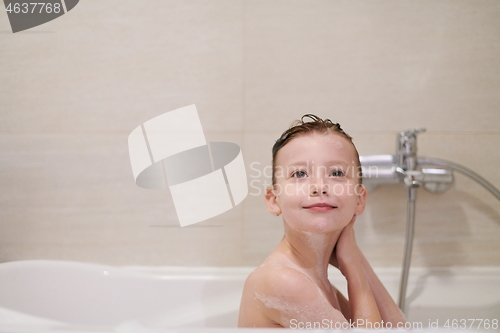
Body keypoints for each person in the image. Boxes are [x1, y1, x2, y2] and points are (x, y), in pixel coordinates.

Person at [238, 115, 406, 329]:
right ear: (274, 200)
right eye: (299, 173)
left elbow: (399, 328)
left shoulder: (315, 281)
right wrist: (354, 272)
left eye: (336, 173)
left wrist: (354, 257)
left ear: (359, 199)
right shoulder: (283, 281)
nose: (319, 186)